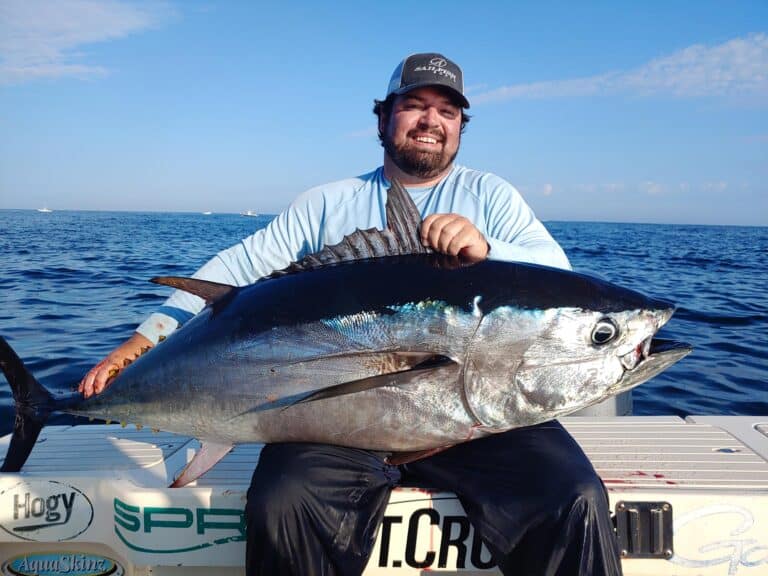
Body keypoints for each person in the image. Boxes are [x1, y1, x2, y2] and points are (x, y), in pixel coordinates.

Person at [80, 53, 623, 576]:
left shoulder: (491, 194)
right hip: (336, 424)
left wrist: (490, 245)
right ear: (384, 116)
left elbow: (560, 278)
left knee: (572, 496)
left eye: (448, 111)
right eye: (414, 105)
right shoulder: (327, 203)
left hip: (479, 420)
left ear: (460, 127)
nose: (431, 121)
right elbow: (233, 273)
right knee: (282, 499)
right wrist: (140, 344)